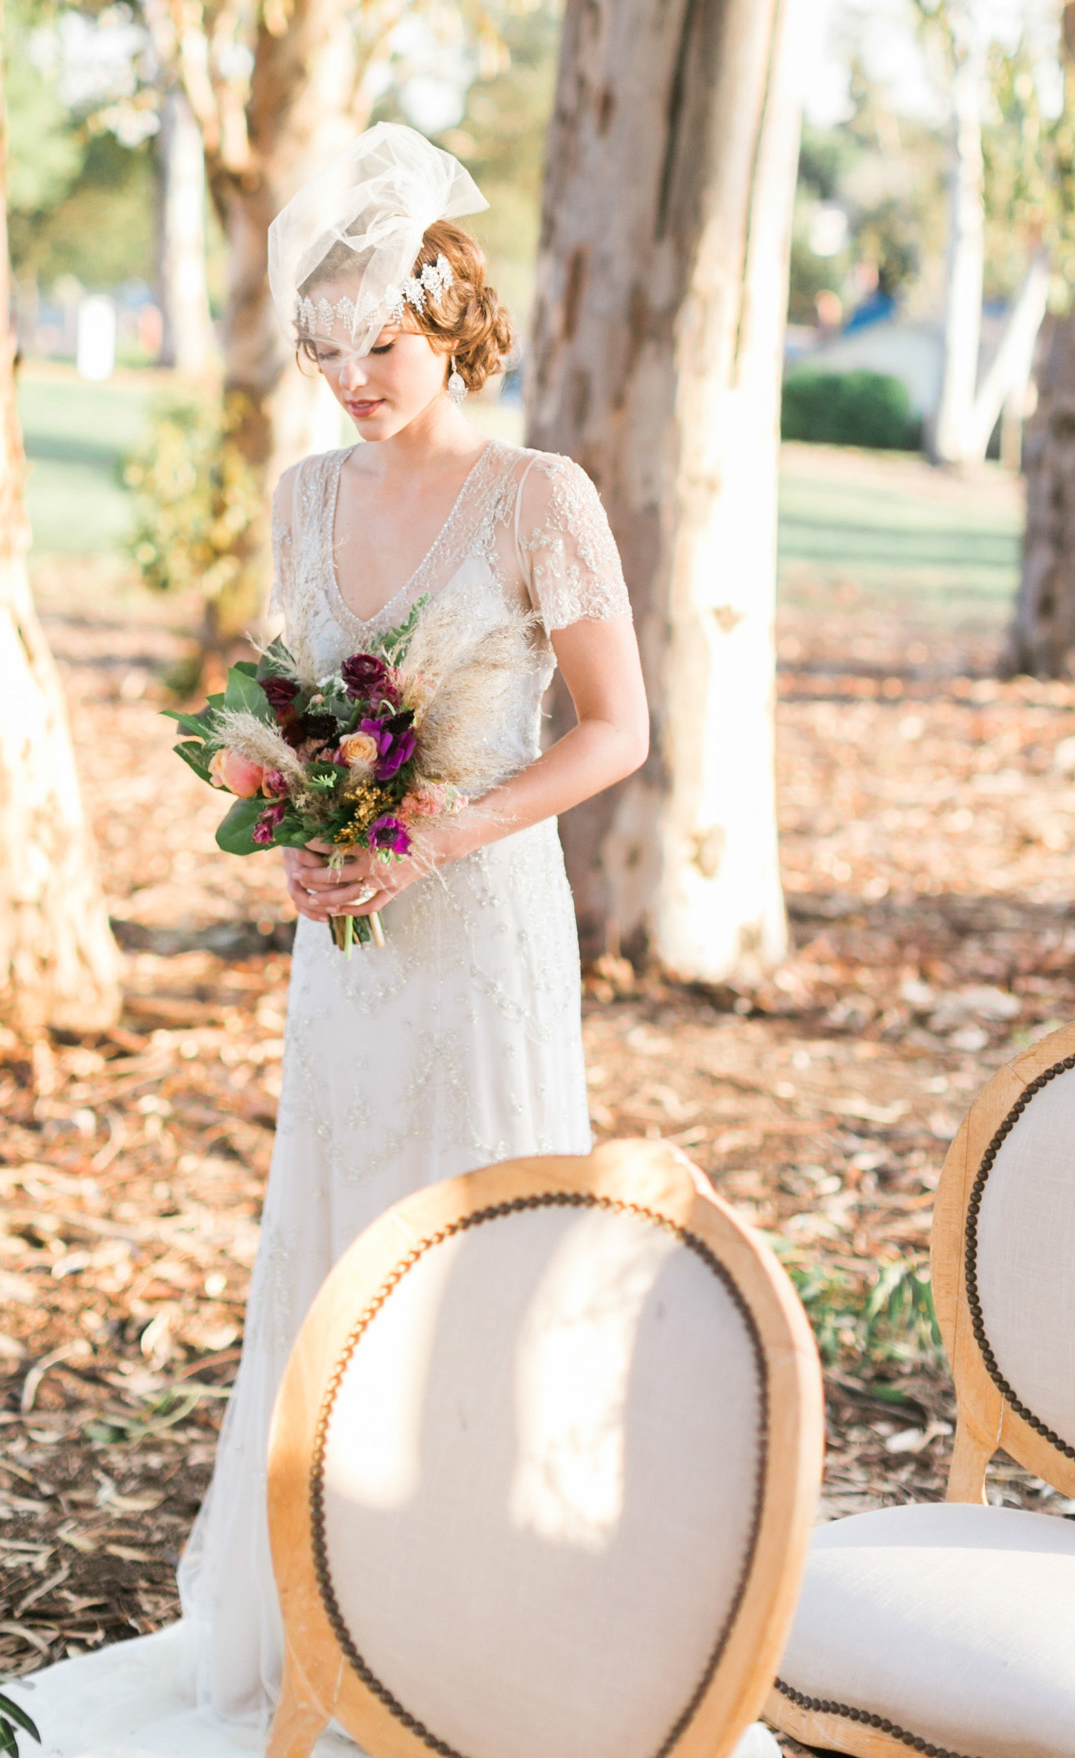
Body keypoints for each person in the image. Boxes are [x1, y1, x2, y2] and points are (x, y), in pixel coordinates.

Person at [177, 123, 649, 1724]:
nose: (353, 378)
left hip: (486, 923)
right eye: (324, 351)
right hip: (351, 953)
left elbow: (616, 730)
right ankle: (339, 1610)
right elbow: (290, 708)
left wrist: (444, 825)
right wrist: (294, 837)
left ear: (447, 312)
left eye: (376, 342)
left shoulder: (537, 495)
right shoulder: (306, 496)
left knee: (483, 1245)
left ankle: (494, 1619)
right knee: (342, 1234)